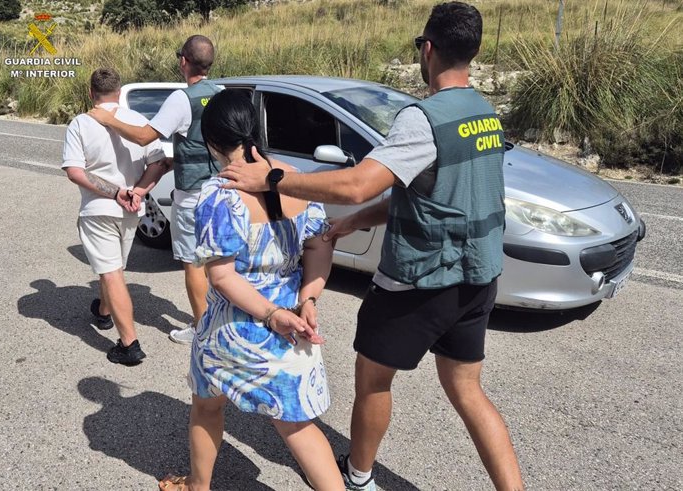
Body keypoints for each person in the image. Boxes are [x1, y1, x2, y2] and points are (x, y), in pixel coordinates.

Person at [218, 2, 524, 490]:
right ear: (474, 51)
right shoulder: (485, 114)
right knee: (467, 389)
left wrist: (272, 178)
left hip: (419, 280)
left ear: (427, 49)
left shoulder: (424, 119)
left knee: (374, 379)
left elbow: (359, 183)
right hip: (478, 276)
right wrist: (354, 223)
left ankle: (357, 476)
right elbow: (436, 196)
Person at [157, 90, 344, 491]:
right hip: (292, 323)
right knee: (297, 424)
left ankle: (197, 485)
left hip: (235, 325)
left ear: (211, 143)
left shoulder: (218, 194)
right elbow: (319, 244)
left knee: (207, 406)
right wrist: (309, 298)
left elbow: (221, 277)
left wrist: (271, 315)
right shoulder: (294, 178)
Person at [88, 35, 221, 345]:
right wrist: (180, 157)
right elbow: (207, 141)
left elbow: (145, 136)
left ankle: (201, 328)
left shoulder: (181, 98)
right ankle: (219, 321)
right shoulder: (222, 93)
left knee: (193, 264)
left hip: (193, 194)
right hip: (221, 190)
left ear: (183, 62)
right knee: (217, 261)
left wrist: (108, 118)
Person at [62, 67, 166, 365]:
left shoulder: (81, 123)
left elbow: (74, 171)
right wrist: (137, 191)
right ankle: (104, 312)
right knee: (114, 267)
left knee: (111, 272)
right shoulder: (138, 121)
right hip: (132, 209)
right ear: (119, 93)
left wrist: (114, 193)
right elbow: (158, 163)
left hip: (99, 210)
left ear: (91, 92)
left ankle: (129, 344)